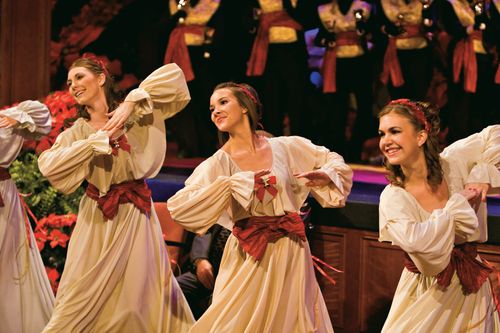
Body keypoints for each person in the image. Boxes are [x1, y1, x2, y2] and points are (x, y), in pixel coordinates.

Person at [167, 82, 353, 332]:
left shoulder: (285, 147)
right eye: (211, 108)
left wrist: (326, 174)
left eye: (223, 102)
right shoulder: (219, 163)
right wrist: (229, 185)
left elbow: (333, 159)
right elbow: (180, 206)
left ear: (245, 107)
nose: (215, 112)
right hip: (250, 252)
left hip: (290, 249)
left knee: (292, 319)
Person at [38, 55, 195, 332]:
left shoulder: (134, 113)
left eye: (79, 77)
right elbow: (50, 165)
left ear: (100, 78)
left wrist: (132, 102)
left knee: (138, 296)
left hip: (135, 214)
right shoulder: (76, 132)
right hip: (98, 216)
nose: (73, 85)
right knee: (81, 292)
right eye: (69, 81)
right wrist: (95, 142)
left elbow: (174, 78)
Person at [377, 99, 499, 332]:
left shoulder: (454, 162)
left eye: (395, 131)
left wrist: (482, 173)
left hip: (471, 285)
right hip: (427, 294)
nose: (386, 141)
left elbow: (495, 134)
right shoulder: (394, 197)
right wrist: (457, 205)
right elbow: (422, 245)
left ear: (421, 136)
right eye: (382, 133)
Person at [0, 101, 54, 333]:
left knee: (7, 265)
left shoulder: (4, 120)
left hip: (1, 198)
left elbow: (43, 120)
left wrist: (20, 117)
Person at [176, 223, 231, 319]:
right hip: (208, 271)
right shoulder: (226, 209)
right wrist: (200, 259)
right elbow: (206, 229)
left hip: (231, 282)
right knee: (172, 289)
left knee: (216, 306)